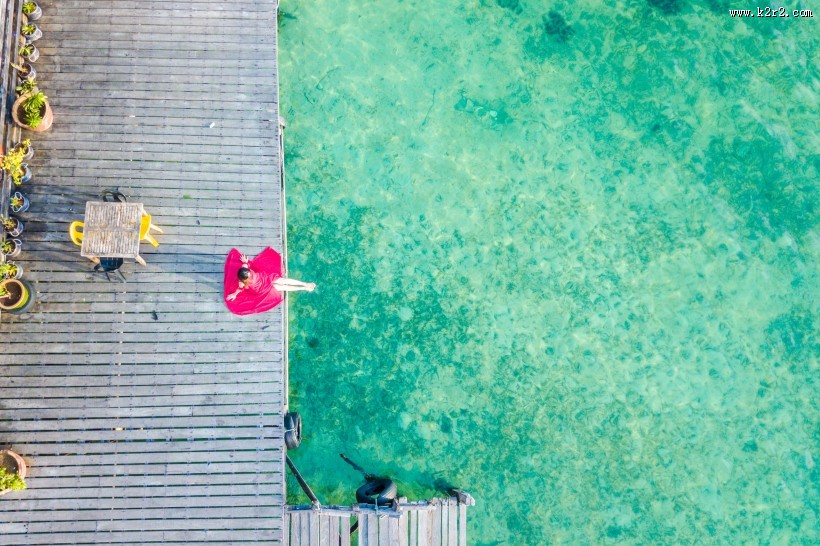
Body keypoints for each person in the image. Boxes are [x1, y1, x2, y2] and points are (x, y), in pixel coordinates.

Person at [223, 247, 314, 315]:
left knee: (284, 283)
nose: (249, 272)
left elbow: (244, 267)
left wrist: (245, 261)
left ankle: (305, 285)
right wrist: (234, 294)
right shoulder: (243, 275)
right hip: (263, 286)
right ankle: (304, 286)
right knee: (284, 285)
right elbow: (240, 287)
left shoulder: (243, 274)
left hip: (265, 279)